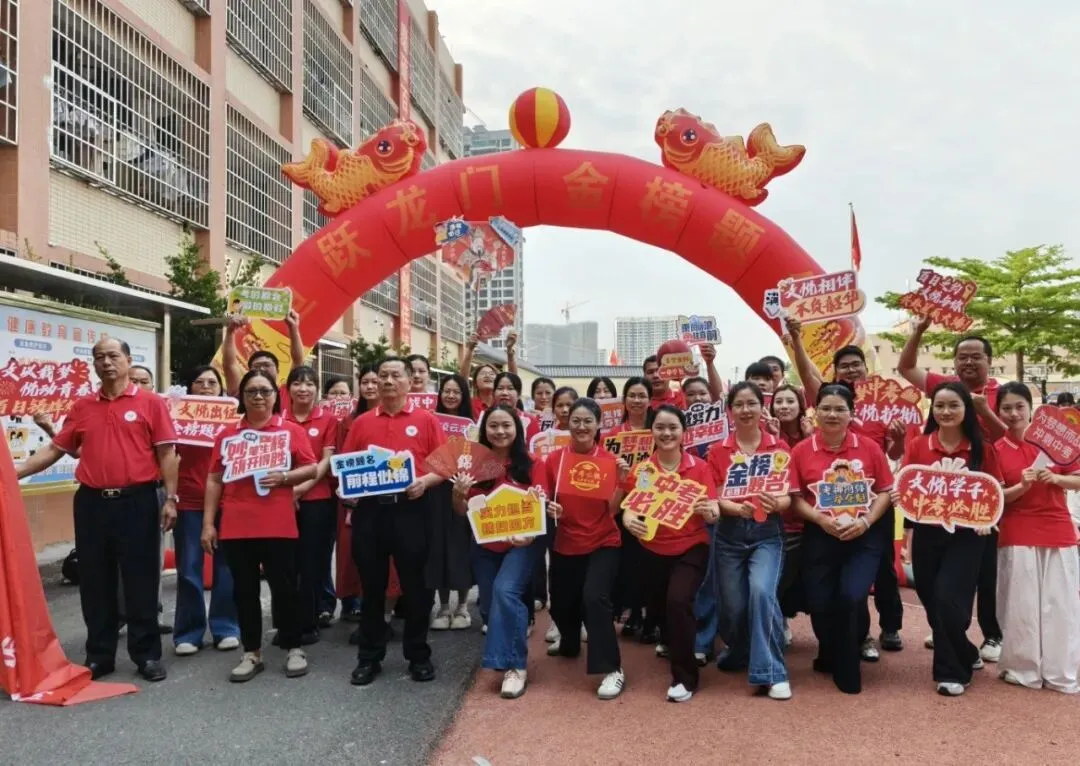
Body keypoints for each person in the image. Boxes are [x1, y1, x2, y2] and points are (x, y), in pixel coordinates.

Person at [17, 337, 179, 682]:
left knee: (140, 580)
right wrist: (13, 473)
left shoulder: (151, 403)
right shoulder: (83, 407)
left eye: (112, 356)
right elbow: (57, 448)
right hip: (91, 503)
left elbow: (167, 454)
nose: (106, 362)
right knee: (95, 581)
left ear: (127, 359)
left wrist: (171, 499)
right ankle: (100, 655)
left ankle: (146, 655)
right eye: (98, 357)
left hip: (138, 501)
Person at [786, 320, 908, 658]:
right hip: (832, 508)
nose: (851, 370)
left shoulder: (885, 403)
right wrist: (796, 338)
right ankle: (862, 635)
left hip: (875, 502)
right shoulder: (831, 400)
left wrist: (897, 440)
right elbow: (807, 374)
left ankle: (891, 626)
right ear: (836, 373)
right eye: (844, 366)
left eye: (856, 364)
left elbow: (895, 456)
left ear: (866, 369)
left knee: (882, 568)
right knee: (848, 578)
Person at [898, 319, 1006, 661]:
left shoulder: (1003, 393)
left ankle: (990, 634)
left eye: (977, 356)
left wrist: (984, 410)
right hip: (935, 508)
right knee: (937, 584)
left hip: (984, 494)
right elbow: (906, 367)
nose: (969, 362)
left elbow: (1010, 439)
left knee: (985, 571)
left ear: (990, 360)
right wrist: (918, 330)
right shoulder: (944, 389)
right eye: (963, 357)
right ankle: (952, 633)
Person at [201, 369, 318, 682]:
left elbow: (310, 468)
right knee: (244, 590)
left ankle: (294, 647)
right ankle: (251, 652)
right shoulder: (227, 435)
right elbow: (214, 479)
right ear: (242, 396)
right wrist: (208, 524)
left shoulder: (291, 430)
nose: (258, 397)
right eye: (251, 391)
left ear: (275, 396)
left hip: (279, 524)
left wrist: (285, 479)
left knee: (284, 588)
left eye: (264, 391)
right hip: (237, 526)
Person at [342, 357, 447, 686]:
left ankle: (418, 654)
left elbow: (443, 466)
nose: (388, 381)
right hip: (371, 512)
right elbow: (346, 467)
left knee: (416, 588)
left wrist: (424, 483)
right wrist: (349, 495)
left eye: (395, 375)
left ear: (408, 381)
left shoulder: (426, 420)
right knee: (371, 587)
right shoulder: (361, 423)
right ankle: (369, 657)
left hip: (411, 509)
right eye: (382, 375)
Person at [790, 383, 894, 695]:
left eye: (840, 409)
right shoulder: (801, 451)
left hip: (863, 536)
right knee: (820, 602)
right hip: (821, 534)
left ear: (852, 413)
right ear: (815, 412)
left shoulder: (869, 448)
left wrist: (866, 522)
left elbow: (886, 491)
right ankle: (829, 651)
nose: (832, 414)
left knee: (851, 596)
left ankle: (847, 670)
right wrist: (821, 520)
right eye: (826, 408)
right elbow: (796, 498)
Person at [615, 404, 719, 702]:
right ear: (652, 432)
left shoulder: (699, 468)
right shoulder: (644, 470)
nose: (666, 433)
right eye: (660, 427)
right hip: (652, 548)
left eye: (673, 427)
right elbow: (632, 506)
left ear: (684, 432)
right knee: (659, 607)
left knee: (678, 602)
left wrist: (710, 512)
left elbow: (712, 507)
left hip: (691, 546)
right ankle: (674, 641)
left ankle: (685, 677)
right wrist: (628, 520)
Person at [451, 405, 543, 699]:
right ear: (484, 430)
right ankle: (513, 633)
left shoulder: (532, 464)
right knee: (490, 605)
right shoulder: (472, 465)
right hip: (484, 545)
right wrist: (457, 494)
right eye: (493, 426)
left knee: (506, 592)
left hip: (522, 544)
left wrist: (528, 536)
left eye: (506, 425)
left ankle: (515, 667)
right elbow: (461, 512)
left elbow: (540, 509)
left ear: (517, 429)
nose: (500, 431)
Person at [708, 382, 792, 699]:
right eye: (739, 404)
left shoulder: (778, 449)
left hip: (767, 535)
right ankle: (741, 650)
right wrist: (733, 507)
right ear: (730, 411)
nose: (745, 410)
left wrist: (777, 504)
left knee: (761, 592)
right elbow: (715, 498)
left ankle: (771, 672)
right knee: (733, 607)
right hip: (729, 536)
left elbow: (788, 496)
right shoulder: (718, 452)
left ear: (761, 408)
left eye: (751, 403)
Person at [994, 381, 1080, 692]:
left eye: (1019, 406)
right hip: (1017, 532)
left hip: (1058, 529)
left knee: (1060, 606)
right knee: (1021, 605)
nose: (1013, 413)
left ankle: (1061, 672)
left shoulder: (1059, 445)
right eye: (1006, 407)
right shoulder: (996, 450)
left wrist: (1056, 477)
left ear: (1032, 408)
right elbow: (995, 497)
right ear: (998, 411)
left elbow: (1077, 480)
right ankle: (1023, 668)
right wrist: (1021, 488)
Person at [543, 398, 628, 700]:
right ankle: (569, 640)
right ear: (567, 424)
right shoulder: (554, 460)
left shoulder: (607, 461)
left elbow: (613, 511)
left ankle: (612, 669)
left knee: (594, 598)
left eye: (587, 421)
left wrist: (620, 482)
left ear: (598, 425)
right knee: (562, 604)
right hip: (566, 541)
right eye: (575, 420)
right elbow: (540, 496)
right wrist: (548, 507)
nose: (581, 426)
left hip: (603, 540)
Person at [172, 365, 240, 656]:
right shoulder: (177, 420)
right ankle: (189, 632)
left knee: (227, 568)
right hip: (188, 501)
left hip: (228, 501)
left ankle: (226, 628)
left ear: (222, 389)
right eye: (199, 382)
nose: (206, 387)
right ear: (189, 389)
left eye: (213, 382)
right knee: (189, 568)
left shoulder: (235, 422)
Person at [284, 366, 339, 641]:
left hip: (317, 500)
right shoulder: (278, 418)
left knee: (312, 562)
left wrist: (298, 489)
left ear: (317, 389)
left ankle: (309, 620)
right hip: (280, 502)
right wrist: (288, 492)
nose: (303, 389)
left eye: (309, 384)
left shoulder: (328, 420)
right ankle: (288, 620)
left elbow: (325, 461)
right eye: (297, 383)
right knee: (285, 563)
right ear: (288, 388)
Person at [119, 362, 172, 634]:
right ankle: (119, 616)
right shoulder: (112, 410)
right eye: (134, 380)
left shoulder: (159, 409)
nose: (138, 386)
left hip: (152, 491)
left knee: (152, 558)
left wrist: (171, 497)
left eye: (144, 381)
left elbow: (168, 453)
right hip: (113, 495)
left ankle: (152, 613)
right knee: (115, 561)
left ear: (153, 386)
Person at [429, 373, 476, 631]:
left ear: (464, 396)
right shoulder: (430, 421)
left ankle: (462, 607)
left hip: (464, 489)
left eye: (456, 391)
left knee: (461, 548)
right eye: (446, 391)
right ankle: (444, 607)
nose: (450, 395)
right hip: (435, 490)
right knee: (439, 548)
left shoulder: (473, 426)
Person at [609, 377, 653, 638]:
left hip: (651, 500)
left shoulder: (656, 430)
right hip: (622, 500)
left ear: (649, 400)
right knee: (628, 561)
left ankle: (649, 615)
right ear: (624, 400)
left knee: (649, 561)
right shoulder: (614, 435)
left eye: (642, 395)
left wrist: (643, 483)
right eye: (632, 395)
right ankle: (632, 612)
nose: (637, 401)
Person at [336, 366, 380, 625]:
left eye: (375, 381)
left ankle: (376, 605)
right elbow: (343, 458)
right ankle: (350, 601)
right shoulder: (348, 421)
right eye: (365, 382)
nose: (371, 386)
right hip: (353, 495)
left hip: (383, 495)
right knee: (349, 551)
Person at [534, 386, 579, 635]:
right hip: (550, 508)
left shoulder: (586, 436)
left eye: (569, 405)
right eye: (559, 405)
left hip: (579, 509)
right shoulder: (542, 438)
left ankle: (579, 618)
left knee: (578, 566)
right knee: (556, 563)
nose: (564, 410)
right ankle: (557, 619)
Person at [770, 384, 812, 645]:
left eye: (790, 401)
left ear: (800, 406)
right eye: (779, 401)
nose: (784, 406)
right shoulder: (766, 436)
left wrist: (808, 439)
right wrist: (776, 440)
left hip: (808, 520)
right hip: (777, 521)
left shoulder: (814, 436)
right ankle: (779, 621)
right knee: (779, 578)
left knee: (800, 578)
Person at [221, 311, 306, 404]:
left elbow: (298, 361)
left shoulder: (286, 393)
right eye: (256, 366)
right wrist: (230, 331)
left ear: (277, 371)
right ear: (249, 372)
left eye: (267, 365)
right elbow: (229, 366)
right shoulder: (241, 393)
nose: (261, 369)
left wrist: (293, 327)